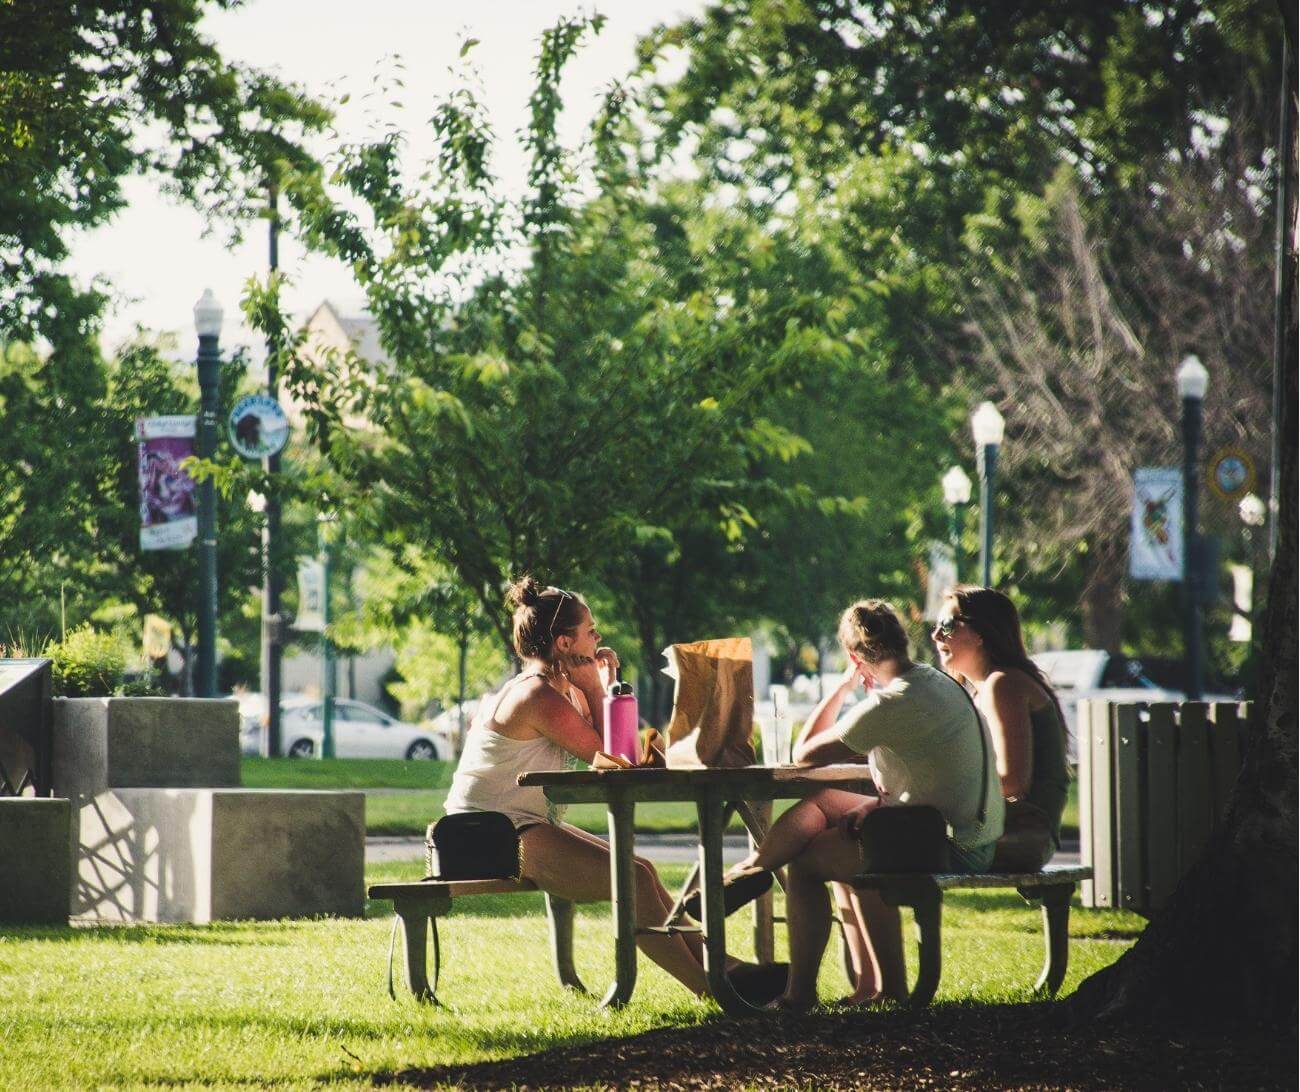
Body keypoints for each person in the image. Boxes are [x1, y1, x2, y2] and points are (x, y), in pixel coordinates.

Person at [445, 576, 770, 1000]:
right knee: (631, 879)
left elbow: (620, 755)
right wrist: (599, 687)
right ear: (564, 643)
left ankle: (724, 969)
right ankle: (716, 991)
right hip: (482, 835)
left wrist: (603, 685)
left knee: (643, 871)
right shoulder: (536, 696)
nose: (599, 638)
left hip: (518, 824)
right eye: (590, 631)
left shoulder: (564, 693)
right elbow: (616, 760)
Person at [718, 598, 1003, 1010]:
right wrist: (875, 804)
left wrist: (843, 685)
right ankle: (752, 869)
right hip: (958, 831)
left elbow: (804, 751)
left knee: (806, 863)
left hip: (951, 846)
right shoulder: (938, 681)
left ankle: (801, 995)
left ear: (855, 656)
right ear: (902, 640)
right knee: (825, 801)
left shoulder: (892, 703)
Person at [932, 585, 1070, 872]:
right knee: (866, 844)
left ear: (981, 633)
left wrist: (941, 794)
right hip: (1007, 829)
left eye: (947, 625)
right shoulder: (984, 690)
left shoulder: (1002, 684)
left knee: (881, 850)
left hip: (1025, 834)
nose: (936, 635)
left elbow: (1013, 781)